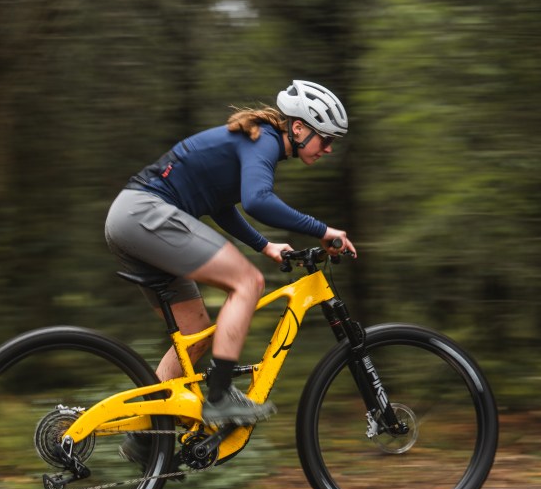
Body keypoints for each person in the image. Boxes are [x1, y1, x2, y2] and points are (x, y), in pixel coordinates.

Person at [105, 80, 356, 466]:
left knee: (194, 338)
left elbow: (222, 207)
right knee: (248, 282)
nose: (328, 148)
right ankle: (220, 396)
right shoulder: (265, 142)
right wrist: (323, 231)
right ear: (300, 128)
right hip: (145, 215)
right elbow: (258, 200)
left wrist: (265, 245)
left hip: (131, 219)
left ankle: (147, 437)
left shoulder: (254, 143)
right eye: (325, 139)